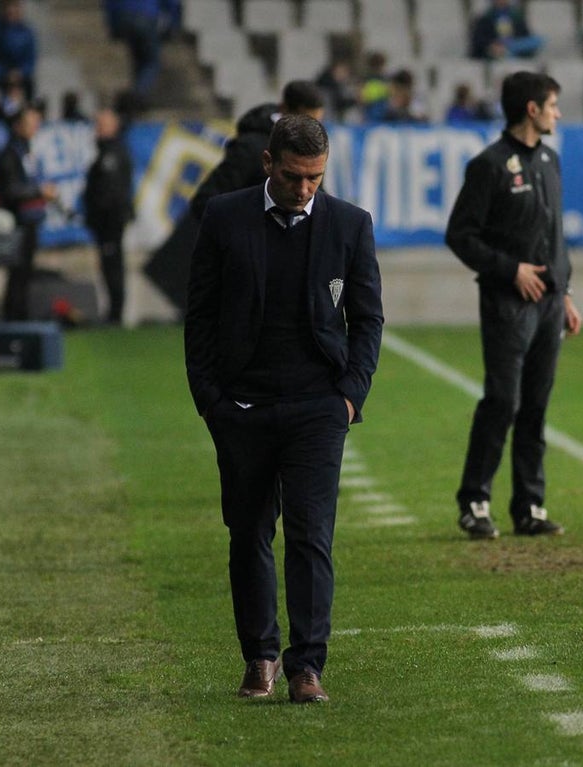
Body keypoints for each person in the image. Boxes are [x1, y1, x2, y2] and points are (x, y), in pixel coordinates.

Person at [184, 114, 383, 703]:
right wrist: (210, 400)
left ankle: (307, 667)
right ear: (269, 164)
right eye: (295, 176)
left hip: (319, 406)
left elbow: (368, 319)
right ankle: (260, 657)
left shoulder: (350, 225)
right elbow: (200, 314)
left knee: (311, 535)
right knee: (247, 533)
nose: (304, 190)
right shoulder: (224, 216)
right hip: (240, 406)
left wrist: (350, 394)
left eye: (315, 179)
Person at [446, 71, 583, 540]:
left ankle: (529, 505)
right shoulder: (488, 165)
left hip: (548, 305)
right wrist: (511, 270)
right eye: (552, 105)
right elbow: (460, 235)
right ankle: (474, 502)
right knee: (504, 400)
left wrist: (564, 292)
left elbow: (555, 236)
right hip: (508, 302)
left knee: (536, 405)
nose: (557, 114)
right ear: (531, 109)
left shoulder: (550, 160)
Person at [189, 80, 324, 221]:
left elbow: (319, 199)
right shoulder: (250, 148)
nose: (303, 189)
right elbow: (205, 202)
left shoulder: (314, 147)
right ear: (284, 109)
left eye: (317, 123)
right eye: (306, 121)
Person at [0, 103, 58, 321]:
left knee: (25, 272)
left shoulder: (26, 152)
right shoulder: (10, 154)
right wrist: (38, 191)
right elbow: (10, 190)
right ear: (18, 126)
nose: (35, 128)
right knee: (17, 272)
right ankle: (13, 317)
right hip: (16, 222)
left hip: (30, 222)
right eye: (30, 124)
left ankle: (20, 315)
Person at [83, 107, 133, 325]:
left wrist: (101, 214)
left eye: (101, 125)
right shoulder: (106, 153)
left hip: (110, 221)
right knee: (109, 264)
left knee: (113, 264)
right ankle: (113, 311)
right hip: (106, 221)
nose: (97, 130)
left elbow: (110, 192)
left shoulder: (112, 154)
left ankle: (115, 313)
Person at [104, 0, 182, 109]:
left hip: (124, 18)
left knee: (138, 58)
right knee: (151, 61)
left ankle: (135, 93)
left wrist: (112, 25)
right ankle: (139, 95)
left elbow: (109, 4)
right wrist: (173, 25)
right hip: (147, 17)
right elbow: (173, 4)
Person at [0, 0, 37, 99]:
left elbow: (31, 59)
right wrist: (3, 73)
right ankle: (6, 110)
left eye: (16, 9)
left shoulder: (27, 32)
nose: (13, 13)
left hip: (19, 75)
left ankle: (24, 109)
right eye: (10, 10)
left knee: (27, 86)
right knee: (6, 86)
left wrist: (20, 72)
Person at [470, 0, 545, 61]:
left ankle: (507, 50)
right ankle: (506, 51)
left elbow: (525, 35)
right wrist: (492, 45)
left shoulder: (516, 16)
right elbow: (478, 39)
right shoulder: (485, 18)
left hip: (513, 44)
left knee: (538, 40)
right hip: (495, 47)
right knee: (506, 56)